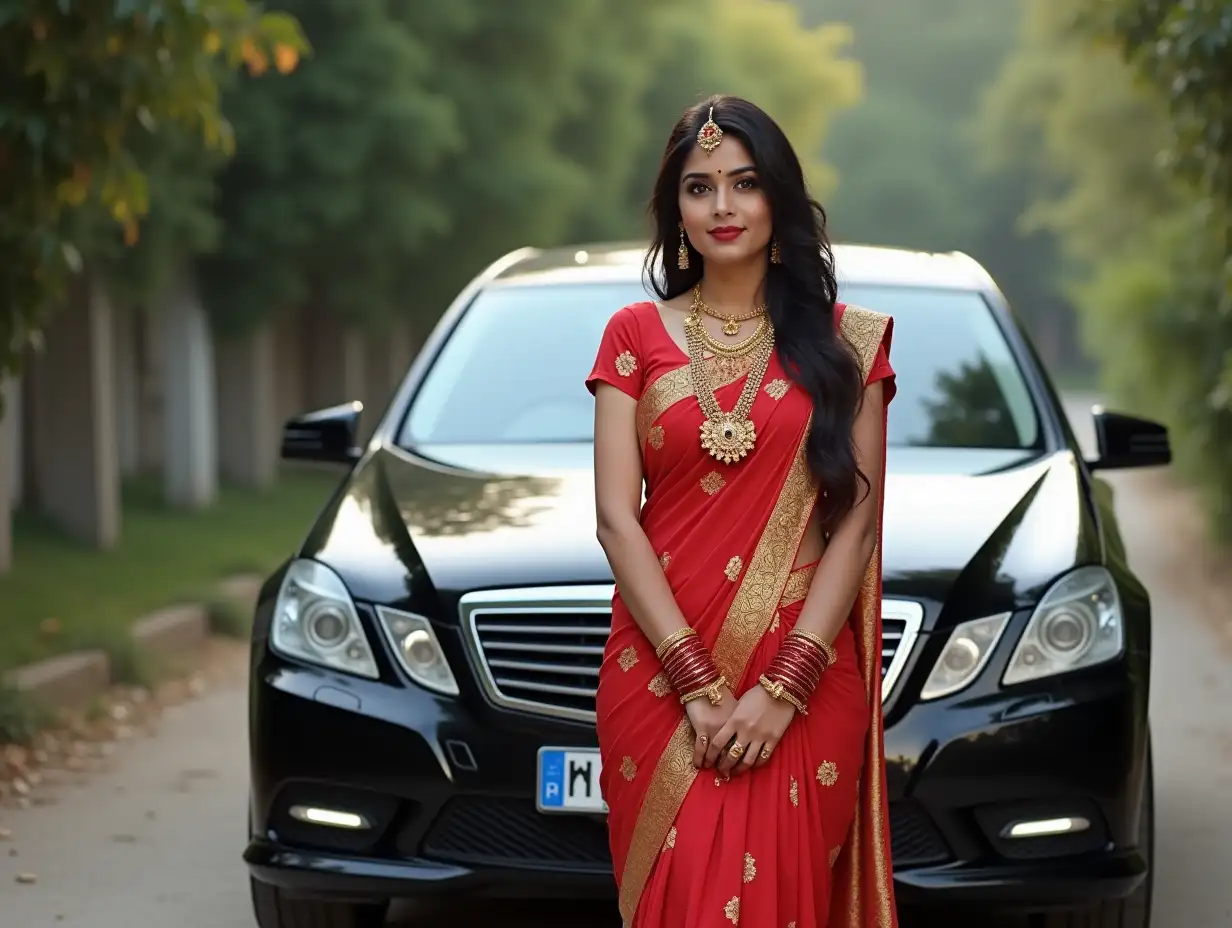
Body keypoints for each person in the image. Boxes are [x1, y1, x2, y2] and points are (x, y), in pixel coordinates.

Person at [586, 94, 899, 928]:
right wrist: (693, 681)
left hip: (799, 681)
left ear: (779, 200)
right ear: (675, 211)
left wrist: (785, 687)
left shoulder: (846, 346)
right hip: (657, 675)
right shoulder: (632, 334)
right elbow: (616, 519)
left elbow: (856, 524)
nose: (722, 207)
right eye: (699, 187)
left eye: (744, 183)